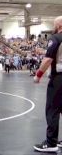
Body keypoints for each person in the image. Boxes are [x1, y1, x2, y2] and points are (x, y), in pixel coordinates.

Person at [33, 16, 62, 152]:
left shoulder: (55, 38)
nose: (53, 26)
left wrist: (38, 75)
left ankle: (51, 143)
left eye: (54, 24)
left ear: (59, 25)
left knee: (52, 109)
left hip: (58, 79)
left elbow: (49, 59)